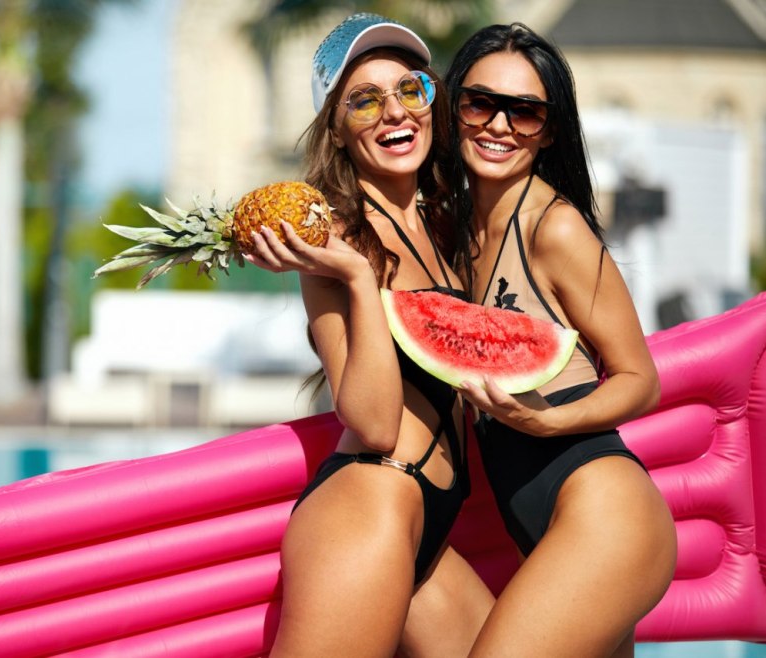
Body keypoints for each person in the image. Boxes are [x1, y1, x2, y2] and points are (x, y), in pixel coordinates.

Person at [247, 13, 494, 658]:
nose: (393, 112)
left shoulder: (451, 228)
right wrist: (360, 281)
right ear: (336, 126)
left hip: (431, 527)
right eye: (364, 100)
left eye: (409, 89)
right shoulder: (333, 241)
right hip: (372, 498)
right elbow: (373, 421)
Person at [443, 23, 677, 657]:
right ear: (453, 107)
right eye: (480, 102)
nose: (498, 125)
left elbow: (639, 378)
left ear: (547, 130)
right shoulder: (455, 234)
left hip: (607, 514)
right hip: (548, 535)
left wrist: (546, 421)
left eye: (525, 112)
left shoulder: (555, 228)